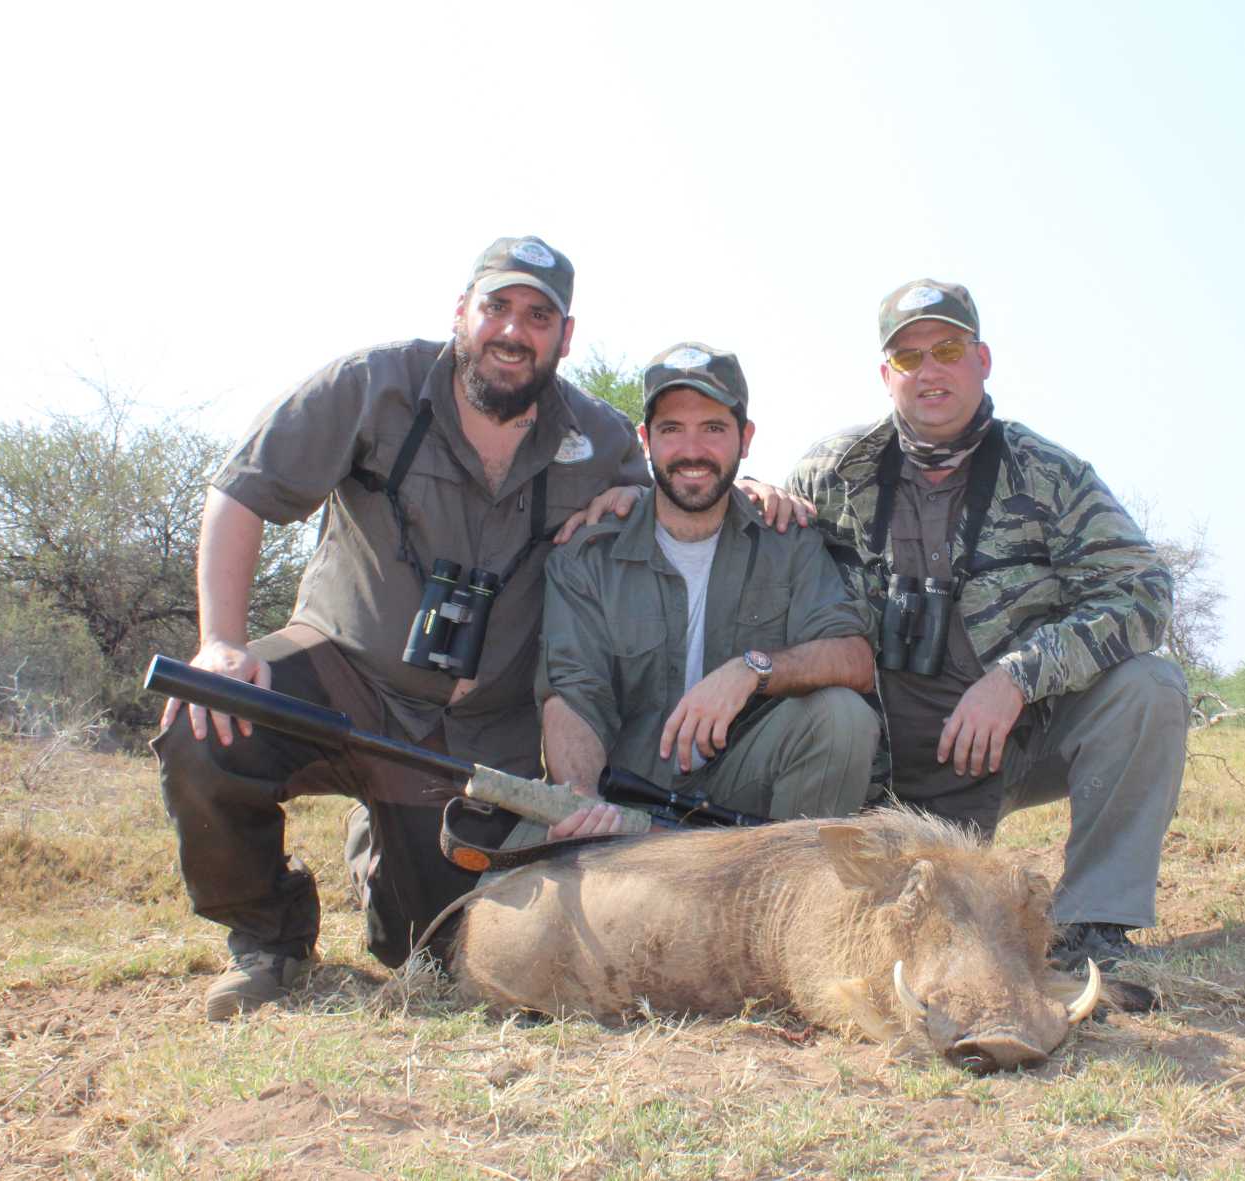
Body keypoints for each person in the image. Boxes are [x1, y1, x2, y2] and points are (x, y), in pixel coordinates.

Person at [154, 238, 803, 1020]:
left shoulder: (598, 438)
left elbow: (684, 482)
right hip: (344, 672)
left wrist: (752, 490)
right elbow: (241, 491)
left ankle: (380, 850)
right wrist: (220, 641)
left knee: (436, 952)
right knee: (209, 725)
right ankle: (268, 942)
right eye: (496, 306)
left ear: (565, 338)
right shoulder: (372, 383)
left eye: (539, 315)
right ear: (461, 312)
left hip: (482, 729)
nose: (512, 330)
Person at [788, 279, 1189, 974]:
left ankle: (1095, 924)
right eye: (908, 357)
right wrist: (753, 496)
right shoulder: (832, 472)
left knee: (1151, 686)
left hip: (1006, 752)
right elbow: (745, 541)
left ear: (983, 360)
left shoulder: (1051, 475)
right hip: (867, 762)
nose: (929, 370)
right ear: (887, 376)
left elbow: (1143, 592)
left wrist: (1017, 677)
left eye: (947, 348)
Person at [537, 342, 879, 841]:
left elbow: (854, 658)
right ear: (645, 440)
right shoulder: (586, 554)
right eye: (672, 429)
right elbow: (572, 694)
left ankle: (791, 900)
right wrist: (581, 800)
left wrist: (754, 669)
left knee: (842, 718)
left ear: (746, 438)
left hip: (742, 787)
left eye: (714, 429)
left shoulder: (787, 538)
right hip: (628, 798)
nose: (692, 451)